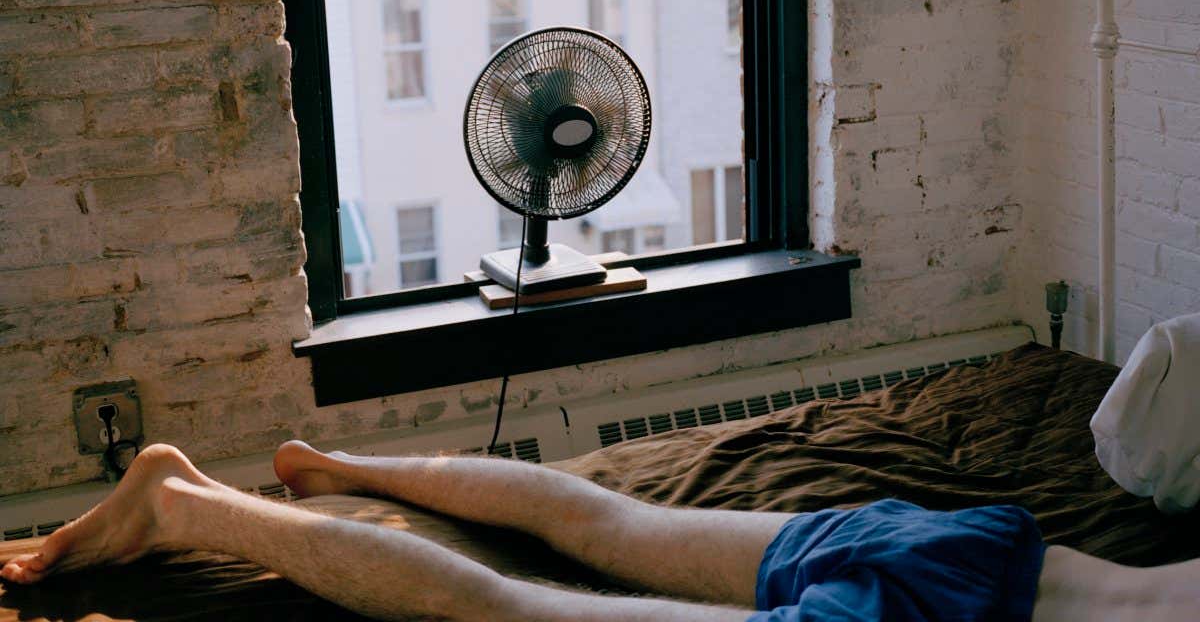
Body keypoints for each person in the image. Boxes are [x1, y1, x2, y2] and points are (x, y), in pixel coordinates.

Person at [1, 442, 1197, 621]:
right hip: (944, 602)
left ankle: (333, 465)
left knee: (605, 515)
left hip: (979, 549)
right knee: (508, 609)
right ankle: (183, 505)